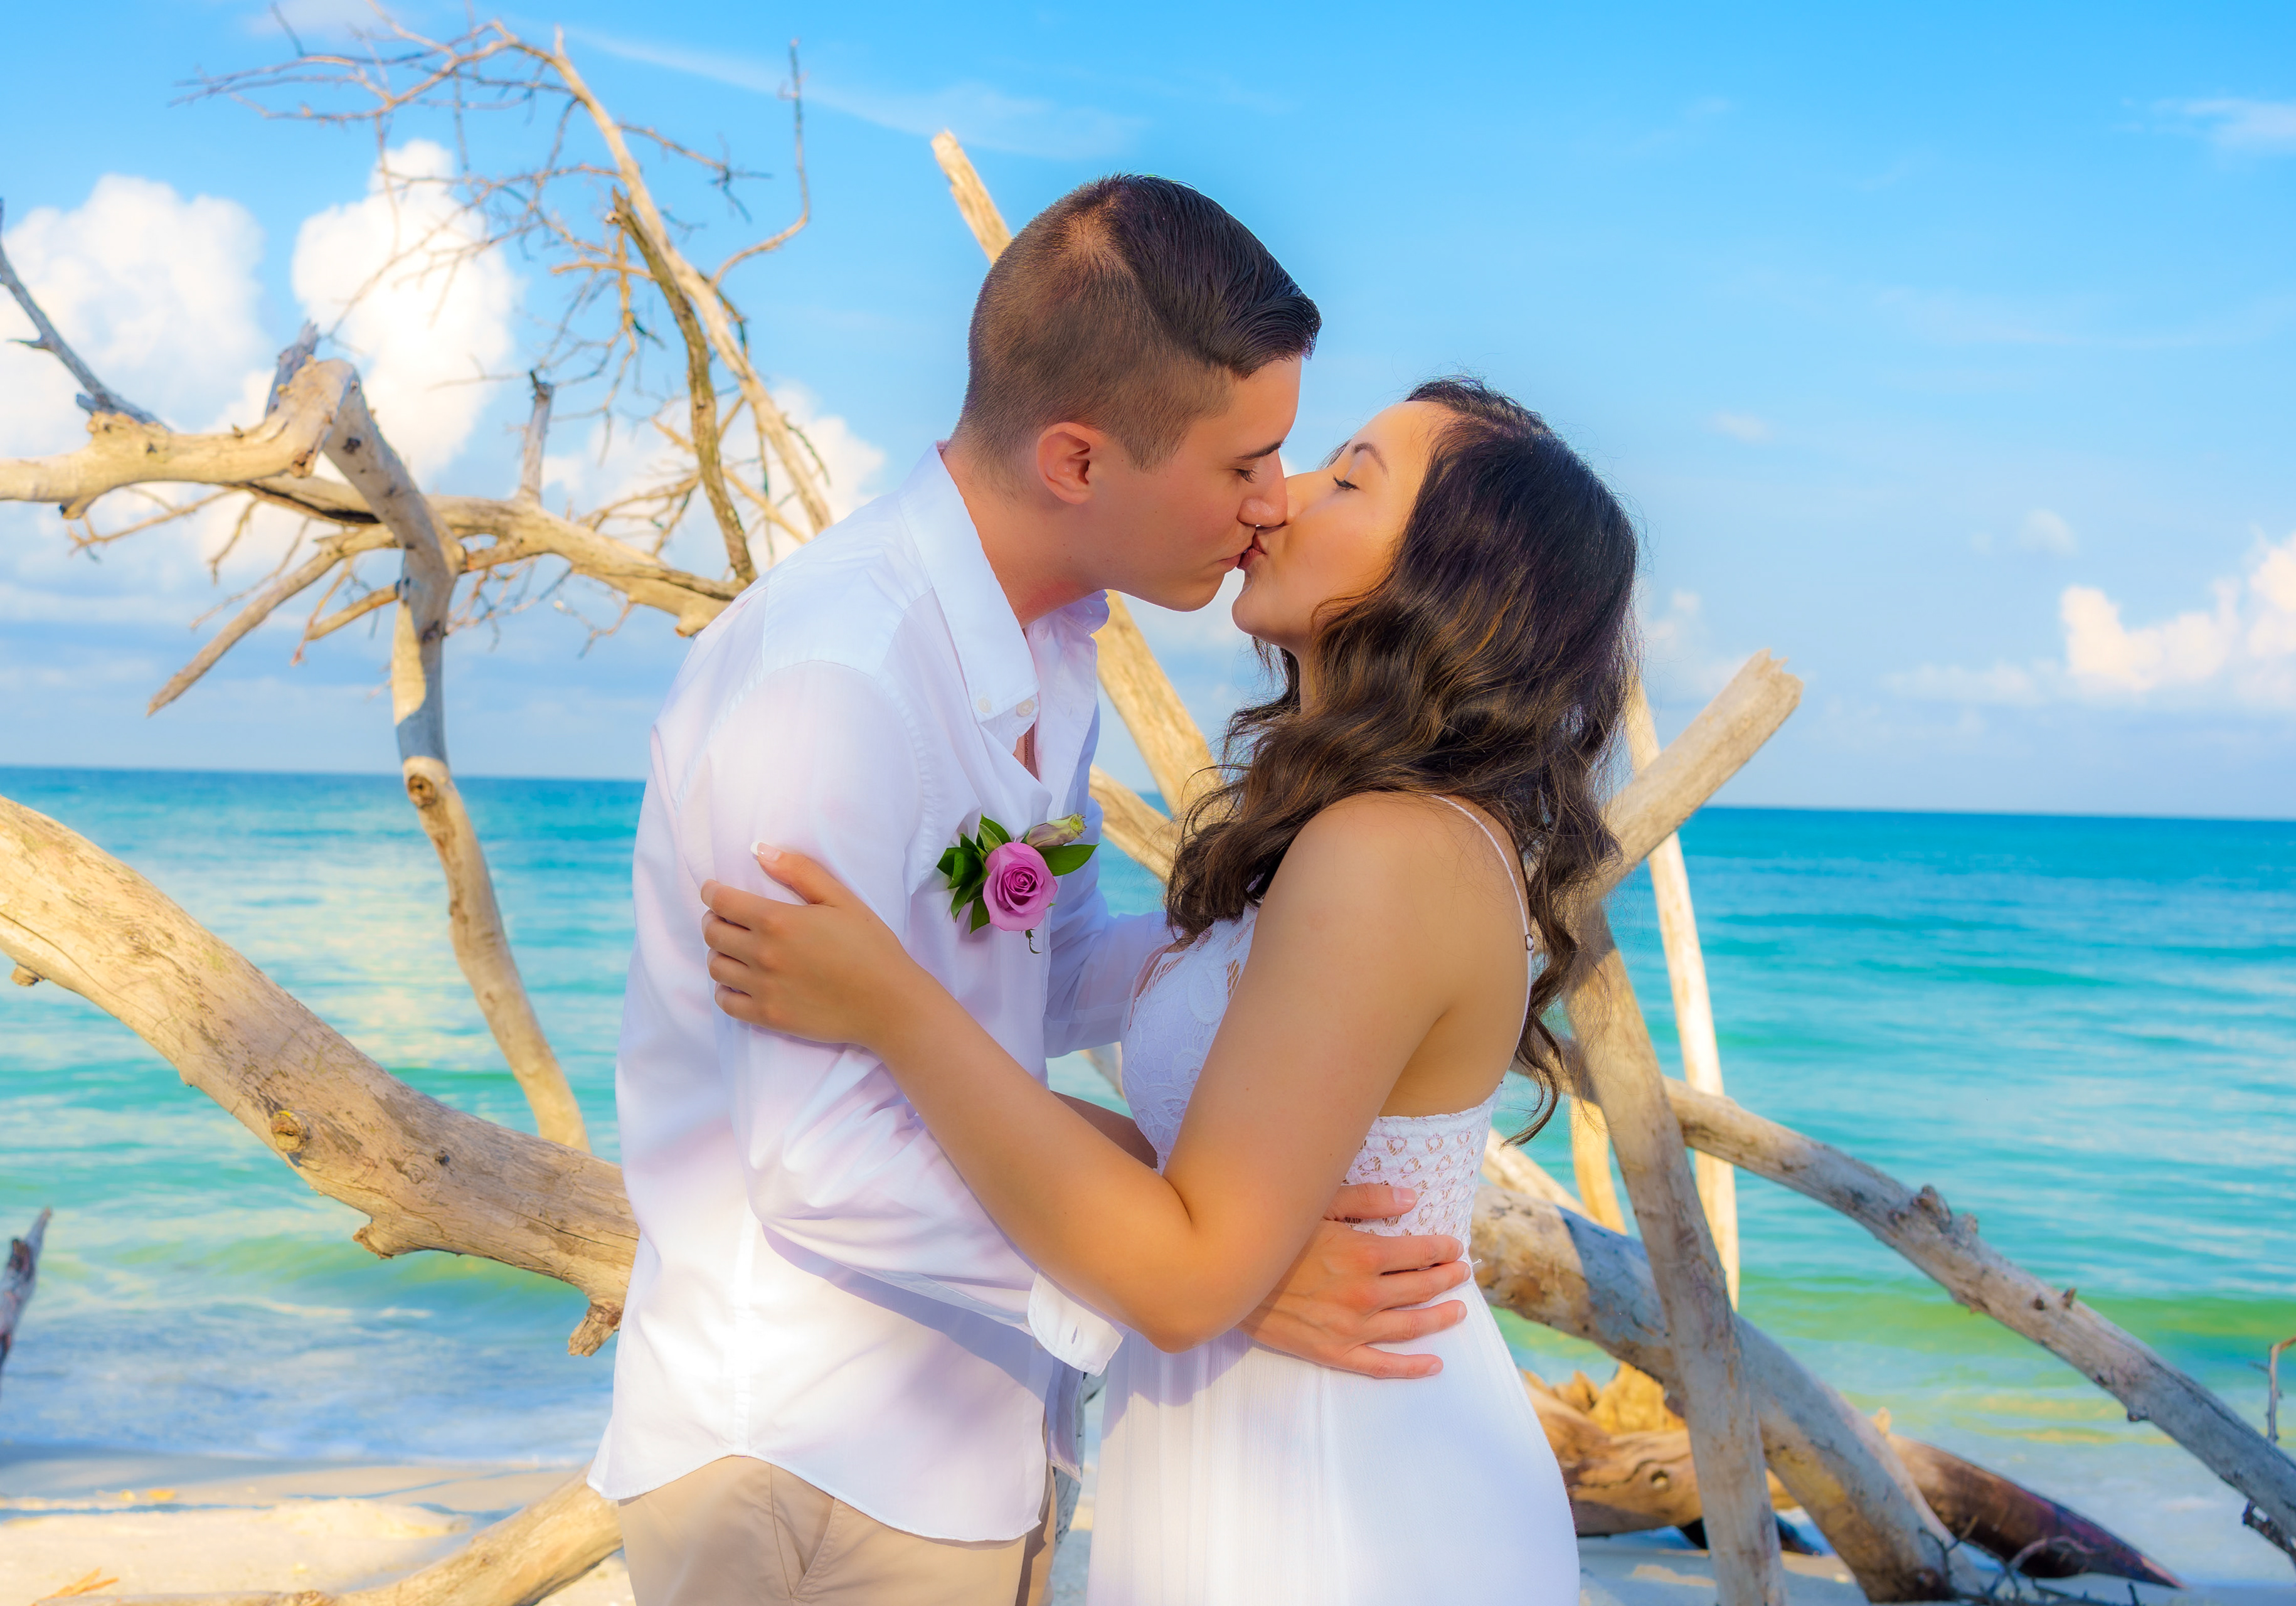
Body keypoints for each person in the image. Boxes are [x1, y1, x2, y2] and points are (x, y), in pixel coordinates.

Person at [590, 176, 1484, 1606]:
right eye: (1245, 463)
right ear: (1078, 460)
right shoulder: (836, 687)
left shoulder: (1053, 647)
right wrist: (1196, 1281)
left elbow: (1040, 964)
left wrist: (1280, 949)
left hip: (980, 1436)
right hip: (811, 1455)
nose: (1271, 506)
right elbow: (818, 1157)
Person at [703, 376, 1640, 1603]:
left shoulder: (1388, 851)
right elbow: (1182, 1177)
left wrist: (894, 1006)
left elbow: (1190, 1273)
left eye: (1348, 478)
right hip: (1281, 1448)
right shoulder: (1372, 835)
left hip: (1347, 1493)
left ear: (1452, 581)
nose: (1281, 494)